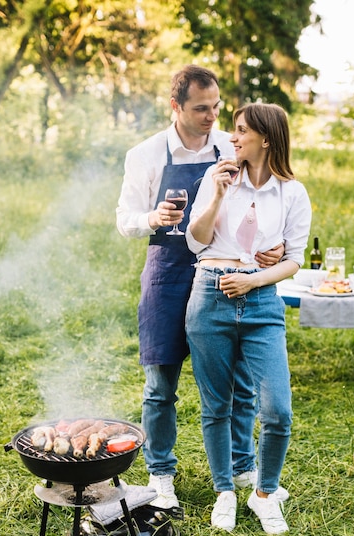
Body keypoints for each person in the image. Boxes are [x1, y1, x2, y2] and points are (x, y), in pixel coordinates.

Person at [116, 65, 284, 510]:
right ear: (176, 107)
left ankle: (242, 463)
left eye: (216, 107)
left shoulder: (231, 146)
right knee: (160, 384)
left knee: (241, 384)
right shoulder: (146, 154)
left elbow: (264, 201)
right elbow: (124, 219)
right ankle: (161, 473)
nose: (213, 118)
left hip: (225, 276)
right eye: (201, 109)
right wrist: (153, 218)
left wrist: (274, 246)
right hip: (169, 274)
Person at [185, 103, 312, 533]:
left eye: (242, 131)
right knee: (216, 405)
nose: (233, 137)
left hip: (261, 304)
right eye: (233, 130)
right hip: (209, 295)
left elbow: (293, 261)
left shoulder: (292, 193)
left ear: (267, 138)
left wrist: (253, 281)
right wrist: (218, 194)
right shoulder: (216, 178)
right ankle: (225, 490)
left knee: (278, 409)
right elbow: (195, 242)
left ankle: (264, 493)